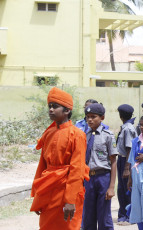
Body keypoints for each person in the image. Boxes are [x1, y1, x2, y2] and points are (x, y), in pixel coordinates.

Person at [30, 87, 89, 230]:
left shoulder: (77, 135)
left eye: (55, 106)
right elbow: (42, 166)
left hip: (67, 191)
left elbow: (77, 170)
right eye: (49, 106)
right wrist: (38, 195)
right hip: (48, 190)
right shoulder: (48, 133)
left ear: (67, 110)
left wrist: (70, 200)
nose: (51, 110)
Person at [82, 103, 117, 230]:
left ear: (102, 118)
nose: (90, 119)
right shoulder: (85, 136)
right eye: (87, 117)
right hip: (88, 179)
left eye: (93, 117)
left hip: (103, 177)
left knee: (104, 215)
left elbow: (113, 161)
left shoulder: (108, 135)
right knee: (88, 215)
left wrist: (111, 187)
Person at [116, 104, 137, 225]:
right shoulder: (126, 126)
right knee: (121, 188)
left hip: (126, 160)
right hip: (122, 159)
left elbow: (129, 148)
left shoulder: (128, 128)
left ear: (121, 116)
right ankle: (123, 214)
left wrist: (127, 168)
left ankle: (128, 215)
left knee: (126, 189)